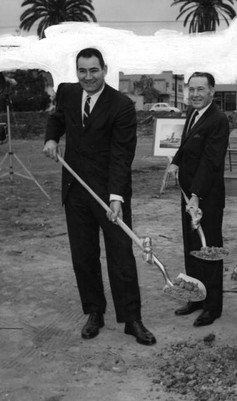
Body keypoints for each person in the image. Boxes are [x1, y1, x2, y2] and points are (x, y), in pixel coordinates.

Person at [43, 47, 156, 346]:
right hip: (75, 190)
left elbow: (122, 155)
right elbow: (57, 119)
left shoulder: (120, 105)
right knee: (84, 256)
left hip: (109, 193)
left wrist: (116, 197)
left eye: (94, 70)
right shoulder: (67, 93)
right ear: (76, 71)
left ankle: (131, 319)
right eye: (82, 70)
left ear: (104, 69)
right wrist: (52, 138)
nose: (88, 77)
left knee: (121, 256)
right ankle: (94, 312)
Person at [168, 72, 229, 327]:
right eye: (191, 89)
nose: (194, 94)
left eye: (200, 89)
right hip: (189, 195)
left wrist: (196, 196)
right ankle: (195, 297)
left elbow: (210, 162)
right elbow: (186, 146)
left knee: (208, 251)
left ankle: (212, 307)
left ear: (212, 91)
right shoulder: (193, 113)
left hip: (206, 198)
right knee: (191, 248)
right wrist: (175, 162)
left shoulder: (218, 120)